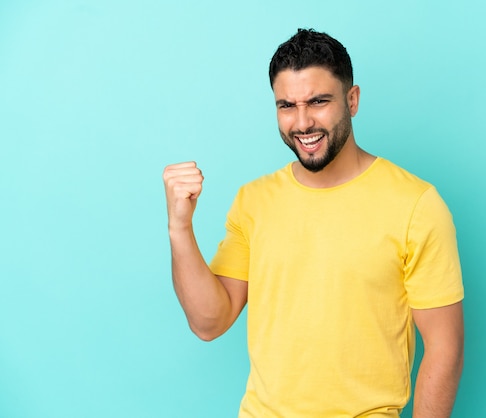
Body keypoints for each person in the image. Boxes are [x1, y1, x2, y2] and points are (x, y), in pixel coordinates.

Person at [163, 29, 464, 418]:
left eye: (318, 102)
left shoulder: (416, 204)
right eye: (286, 105)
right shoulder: (254, 201)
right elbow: (209, 322)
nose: (302, 123)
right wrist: (180, 229)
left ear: (352, 100)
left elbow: (445, 346)